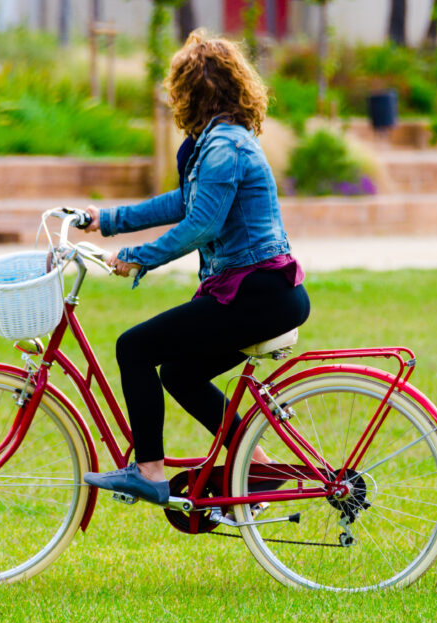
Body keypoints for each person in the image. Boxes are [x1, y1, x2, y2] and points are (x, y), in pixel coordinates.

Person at [81, 31, 310, 505]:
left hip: (256, 293)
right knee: (180, 373)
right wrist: (108, 221)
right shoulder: (220, 140)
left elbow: (201, 224)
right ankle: (259, 467)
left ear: (185, 92)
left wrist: (137, 256)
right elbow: (185, 202)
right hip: (257, 292)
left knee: (135, 347)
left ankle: (149, 472)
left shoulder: (223, 145)